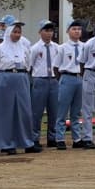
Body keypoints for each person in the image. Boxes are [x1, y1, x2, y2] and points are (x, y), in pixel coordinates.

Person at [0, 18, 37, 154]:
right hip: (5, 79)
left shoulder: (24, 48)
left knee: (24, 110)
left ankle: (27, 142)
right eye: (14, 32)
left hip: (21, 78)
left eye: (19, 32)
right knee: (5, 112)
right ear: (9, 32)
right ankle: (6, 143)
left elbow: (28, 65)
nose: (17, 35)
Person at [28, 20, 60, 149]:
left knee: (54, 111)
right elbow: (30, 66)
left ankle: (52, 137)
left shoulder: (57, 47)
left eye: (51, 31)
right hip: (39, 79)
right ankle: (34, 138)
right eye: (46, 31)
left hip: (53, 79)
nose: (49, 34)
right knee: (37, 111)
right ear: (40, 32)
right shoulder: (35, 48)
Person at [55, 20, 87, 148]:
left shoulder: (84, 46)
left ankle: (77, 138)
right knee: (62, 110)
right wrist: (61, 80)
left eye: (79, 29)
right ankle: (60, 139)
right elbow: (56, 67)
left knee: (76, 111)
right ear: (68, 31)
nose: (77, 31)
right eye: (74, 29)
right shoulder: (62, 48)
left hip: (79, 78)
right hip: (67, 77)